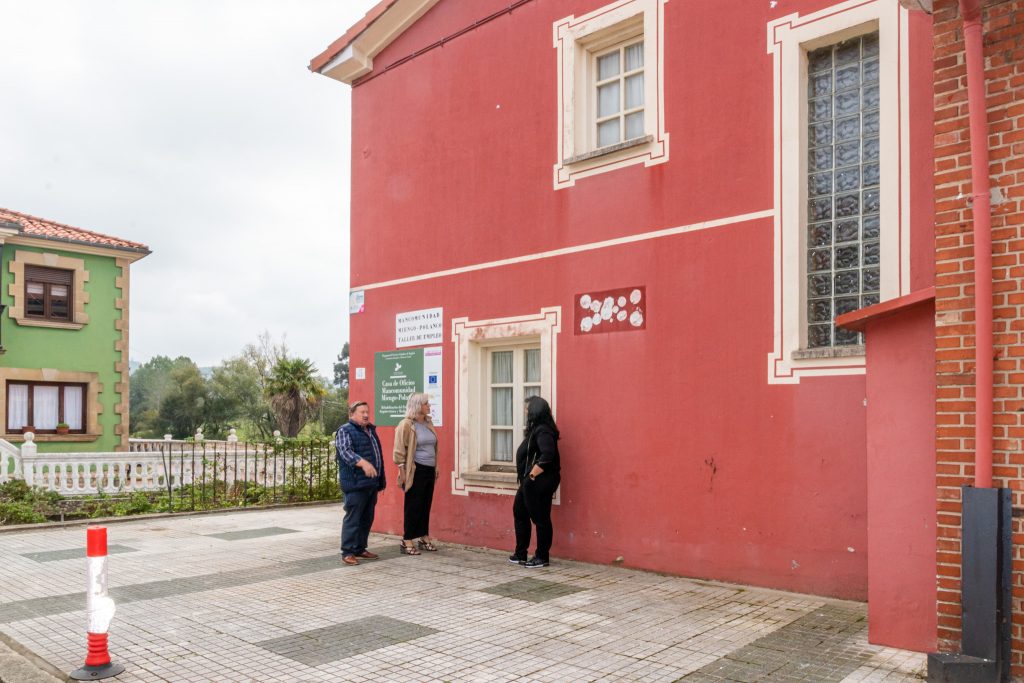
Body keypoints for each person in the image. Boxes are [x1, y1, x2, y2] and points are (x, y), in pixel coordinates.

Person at [509, 396, 561, 568]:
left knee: (540, 518)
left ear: (535, 411)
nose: (525, 411)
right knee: (520, 512)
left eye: (527, 408)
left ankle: (542, 556)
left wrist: (531, 476)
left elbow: (547, 455)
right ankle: (520, 553)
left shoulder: (543, 430)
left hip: (539, 481)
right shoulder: (536, 429)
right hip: (529, 482)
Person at [335, 401, 386, 566]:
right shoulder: (345, 430)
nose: (366, 415)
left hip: (370, 483)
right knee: (353, 518)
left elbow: (378, 456)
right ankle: (347, 552)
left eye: (367, 411)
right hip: (355, 484)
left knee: (366, 518)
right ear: (352, 414)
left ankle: (359, 548)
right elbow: (345, 452)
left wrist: (380, 479)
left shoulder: (370, 430)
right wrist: (362, 462)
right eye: (362, 412)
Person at [393, 392, 439, 555]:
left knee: (425, 504)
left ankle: (423, 537)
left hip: (429, 470)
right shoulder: (406, 424)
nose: (429, 406)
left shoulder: (428, 422)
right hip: (415, 470)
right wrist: (402, 472)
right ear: (418, 406)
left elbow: (433, 447)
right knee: (413, 506)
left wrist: (435, 468)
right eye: (427, 403)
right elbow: (399, 451)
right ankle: (407, 540)